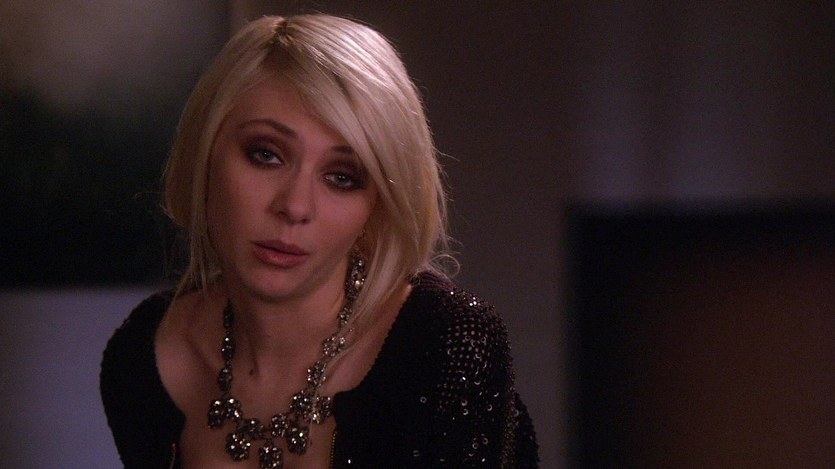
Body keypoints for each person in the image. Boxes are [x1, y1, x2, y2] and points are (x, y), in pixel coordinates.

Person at [100, 14, 538, 469]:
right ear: (205, 153)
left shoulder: (444, 346)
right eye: (266, 155)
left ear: (376, 206)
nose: (295, 206)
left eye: (342, 177)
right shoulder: (145, 357)